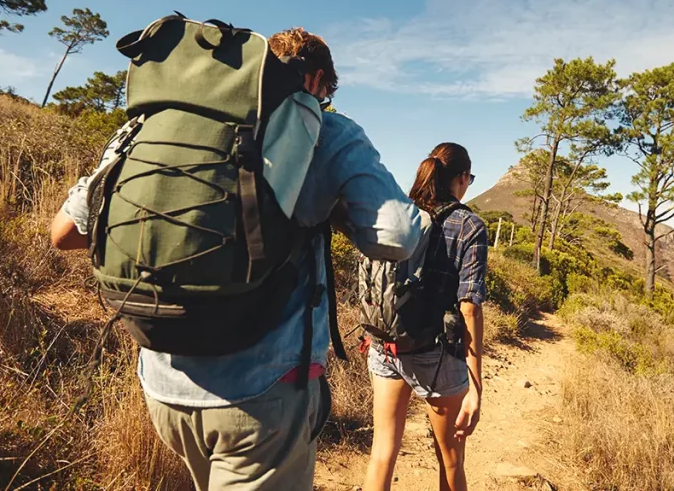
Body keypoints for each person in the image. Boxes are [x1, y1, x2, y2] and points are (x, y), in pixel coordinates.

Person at [49, 27, 422, 491]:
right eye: (329, 91)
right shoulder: (326, 130)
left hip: (162, 383)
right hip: (263, 395)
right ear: (319, 80)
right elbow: (398, 237)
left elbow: (64, 233)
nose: (326, 100)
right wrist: (333, 208)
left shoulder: (153, 122)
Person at [362, 142, 488, 491]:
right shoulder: (469, 225)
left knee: (382, 451)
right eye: (470, 178)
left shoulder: (401, 214)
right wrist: (476, 385)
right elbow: (470, 306)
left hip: (385, 344)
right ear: (461, 178)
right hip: (436, 354)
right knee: (450, 457)